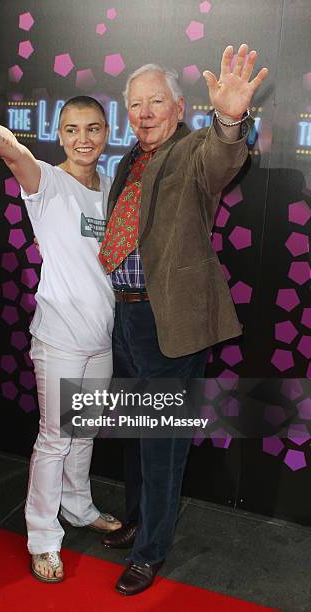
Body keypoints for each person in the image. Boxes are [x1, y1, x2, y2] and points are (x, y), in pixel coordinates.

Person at [99, 44, 268, 596]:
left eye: (155, 102)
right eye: (135, 104)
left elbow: (224, 158)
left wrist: (229, 119)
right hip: (123, 320)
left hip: (167, 322)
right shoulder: (127, 159)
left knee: (162, 443)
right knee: (132, 433)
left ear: (177, 108)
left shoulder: (196, 149)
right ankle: (135, 521)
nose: (144, 113)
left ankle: (151, 552)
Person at [0, 45, 121, 584]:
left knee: (85, 431)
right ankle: (43, 536)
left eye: (93, 128)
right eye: (72, 129)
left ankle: (79, 509)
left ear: (106, 132)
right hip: (59, 339)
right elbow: (11, 152)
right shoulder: (47, 183)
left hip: (102, 338)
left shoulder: (111, 190)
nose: (83, 139)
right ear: (59, 135)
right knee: (55, 438)